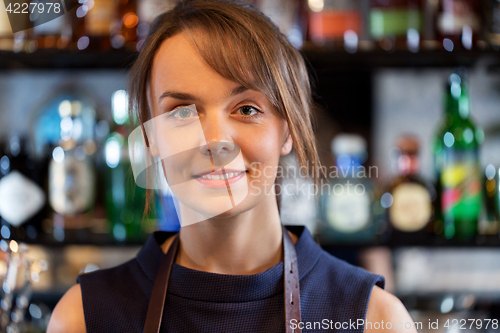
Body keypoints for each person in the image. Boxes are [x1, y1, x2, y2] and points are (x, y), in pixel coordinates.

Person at [47, 1, 417, 332]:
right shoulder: (83, 318)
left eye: (246, 109)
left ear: (287, 130)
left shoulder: (374, 319)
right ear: (150, 137)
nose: (214, 141)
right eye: (181, 112)